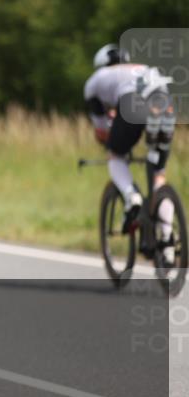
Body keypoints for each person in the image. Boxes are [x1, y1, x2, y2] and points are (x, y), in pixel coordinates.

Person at [84, 44, 175, 262]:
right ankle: (168, 238)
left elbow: (101, 129)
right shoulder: (142, 68)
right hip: (164, 101)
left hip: (132, 104)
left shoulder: (96, 80)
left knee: (115, 156)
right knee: (158, 175)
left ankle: (131, 197)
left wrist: (111, 139)